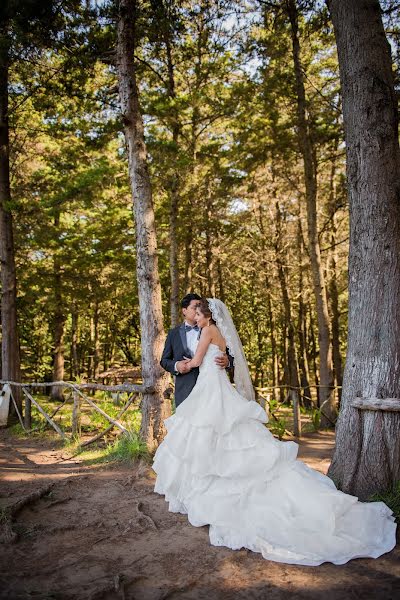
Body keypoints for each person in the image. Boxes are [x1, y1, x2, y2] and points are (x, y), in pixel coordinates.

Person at [153, 297, 396, 566]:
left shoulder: (208, 331)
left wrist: (219, 361)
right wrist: (179, 366)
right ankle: (192, 489)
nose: (196, 317)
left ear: (206, 315)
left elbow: (220, 358)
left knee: (216, 438)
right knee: (205, 439)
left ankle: (208, 491)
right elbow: (168, 360)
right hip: (197, 393)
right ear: (187, 311)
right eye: (193, 311)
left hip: (212, 391)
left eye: (199, 312)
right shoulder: (184, 333)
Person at [160, 293, 232, 408]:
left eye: (200, 306)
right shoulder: (173, 334)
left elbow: (231, 354)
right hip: (185, 392)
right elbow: (164, 361)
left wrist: (228, 361)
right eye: (194, 307)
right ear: (184, 311)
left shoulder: (216, 330)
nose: (198, 309)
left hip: (212, 389)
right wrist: (177, 365)